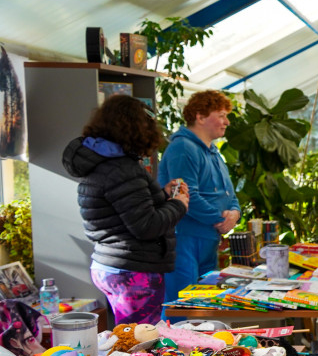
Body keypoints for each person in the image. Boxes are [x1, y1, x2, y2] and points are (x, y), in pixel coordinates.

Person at [63, 95, 189, 324]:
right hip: (132, 272)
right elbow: (146, 226)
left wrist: (162, 195)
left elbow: (125, 210)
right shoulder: (122, 170)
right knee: (138, 344)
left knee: (126, 338)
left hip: (110, 266)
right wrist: (178, 204)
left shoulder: (101, 164)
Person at [158, 90, 240, 303]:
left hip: (208, 240)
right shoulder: (183, 148)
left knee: (202, 306)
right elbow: (185, 195)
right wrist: (221, 219)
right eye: (221, 115)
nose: (227, 122)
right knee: (182, 306)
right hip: (184, 239)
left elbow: (230, 193)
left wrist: (235, 214)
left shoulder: (213, 152)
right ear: (200, 117)